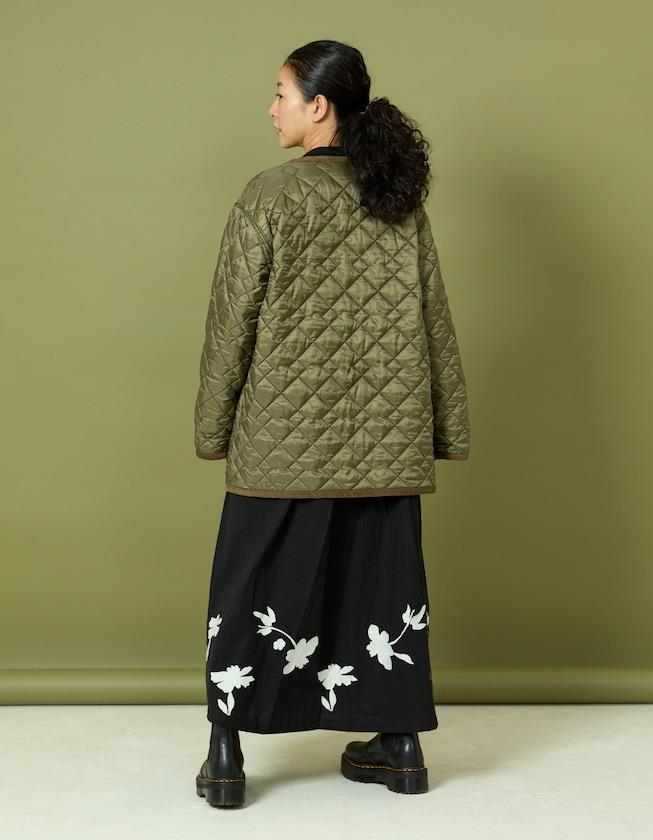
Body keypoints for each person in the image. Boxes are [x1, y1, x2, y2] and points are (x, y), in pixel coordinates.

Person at [193, 39, 471, 808]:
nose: (271, 109)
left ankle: (226, 755)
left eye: (281, 94)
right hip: (387, 437)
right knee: (383, 585)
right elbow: (435, 318)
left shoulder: (269, 195)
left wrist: (214, 425)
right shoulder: (396, 198)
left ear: (319, 106)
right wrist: (446, 428)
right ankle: (401, 747)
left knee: (248, 585)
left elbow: (230, 323)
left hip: (280, 439)